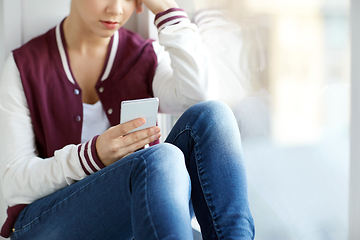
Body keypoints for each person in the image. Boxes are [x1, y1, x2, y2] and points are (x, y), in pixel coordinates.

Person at [0, 0, 255, 239]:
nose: (116, 9)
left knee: (213, 116)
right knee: (161, 157)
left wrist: (167, 9)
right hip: (45, 224)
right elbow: (14, 183)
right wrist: (91, 156)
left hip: (132, 209)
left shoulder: (144, 57)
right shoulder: (24, 65)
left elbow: (199, 96)